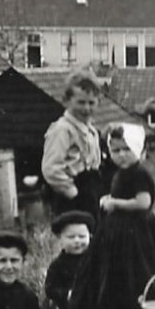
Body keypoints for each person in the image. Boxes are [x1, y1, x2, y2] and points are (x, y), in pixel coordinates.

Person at [66, 123, 155, 309]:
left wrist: (115, 203)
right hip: (119, 232)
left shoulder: (138, 174)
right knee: (117, 280)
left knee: (137, 278)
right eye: (116, 150)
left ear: (137, 148)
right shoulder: (122, 173)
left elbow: (143, 203)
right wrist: (111, 198)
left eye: (126, 149)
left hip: (136, 233)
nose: (121, 155)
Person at [42, 71, 106, 227]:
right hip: (72, 196)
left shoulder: (90, 129)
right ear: (66, 101)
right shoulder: (62, 130)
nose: (86, 108)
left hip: (91, 191)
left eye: (91, 103)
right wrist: (71, 191)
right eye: (81, 102)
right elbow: (51, 168)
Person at [43, 210, 94, 309]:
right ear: (60, 239)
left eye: (82, 236)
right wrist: (66, 293)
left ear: (90, 236)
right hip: (70, 306)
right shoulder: (58, 265)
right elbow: (50, 288)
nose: (77, 241)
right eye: (71, 237)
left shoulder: (95, 260)